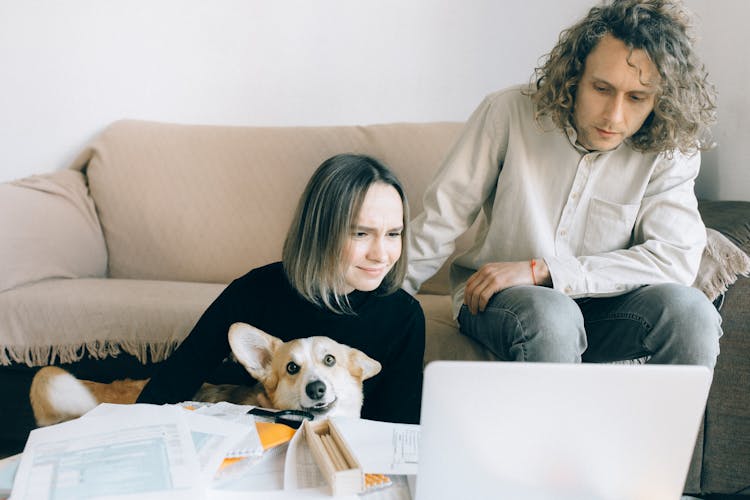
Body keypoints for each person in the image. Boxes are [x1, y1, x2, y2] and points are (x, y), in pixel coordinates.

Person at [404, 0, 721, 368]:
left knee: (693, 312)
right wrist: (378, 308)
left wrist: (545, 270)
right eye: (601, 88)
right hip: (501, 301)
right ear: (574, 74)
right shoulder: (508, 112)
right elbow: (440, 221)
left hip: (608, 308)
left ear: (659, 100)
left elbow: (675, 259)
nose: (614, 116)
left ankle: (663, 428)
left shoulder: (670, 148)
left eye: (637, 98)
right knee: (553, 314)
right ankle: (554, 429)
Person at [138, 153, 425, 424]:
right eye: (361, 233)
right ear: (320, 232)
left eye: (393, 234)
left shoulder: (404, 316)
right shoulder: (254, 292)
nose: (381, 254)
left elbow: (399, 429)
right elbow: (171, 385)